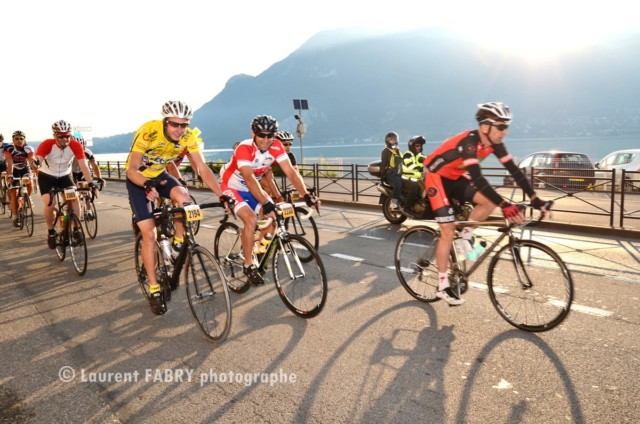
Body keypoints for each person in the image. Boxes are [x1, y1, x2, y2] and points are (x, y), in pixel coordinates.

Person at [423, 102, 548, 306]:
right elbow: (479, 179)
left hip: (454, 177)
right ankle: (442, 286)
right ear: (485, 126)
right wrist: (506, 205)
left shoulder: (494, 144)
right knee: (447, 230)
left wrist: (535, 199)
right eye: (500, 126)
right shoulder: (469, 143)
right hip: (436, 177)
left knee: (488, 203)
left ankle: (466, 235)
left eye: (506, 126)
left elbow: (515, 172)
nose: (504, 132)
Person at [125, 100, 232, 315]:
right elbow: (132, 169)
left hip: (161, 176)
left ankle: (178, 243)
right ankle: (155, 289)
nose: (180, 130)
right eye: (175, 125)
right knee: (149, 234)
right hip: (139, 180)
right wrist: (145, 184)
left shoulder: (188, 136)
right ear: (165, 122)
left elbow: (202, 168)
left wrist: (222, 195)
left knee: (186, 201)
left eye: (184, 125)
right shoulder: (148, 131)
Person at [219, 115, 319, 286]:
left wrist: (306, 195)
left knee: (274, 218)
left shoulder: (276, 147)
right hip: (232, 186)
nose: (266, 139)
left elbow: (291, 173)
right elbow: (249, 178)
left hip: (251, 188)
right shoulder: (244, 148)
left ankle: (256, 246)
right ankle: (249, 264)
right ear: (253, 134)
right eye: (261, 135)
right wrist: (266, 202)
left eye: (270, 135)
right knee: (250, 218)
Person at [35, 120, 96, 248]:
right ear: (55, 135)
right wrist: (35, 162)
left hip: (64, 176)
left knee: (74, 198)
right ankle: (51, 231)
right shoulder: (47, 144)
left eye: (67, 136)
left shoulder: (75, 145)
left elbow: (83, 165)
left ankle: (76, 229)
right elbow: (38, 159)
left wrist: (91, 183)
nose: (65, 139)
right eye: (61, 136)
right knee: (50, 204)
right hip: (47, 176)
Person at [4, 131, 38, 227]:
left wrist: (36, 170)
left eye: (21, 138)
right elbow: (9, 162)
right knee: (14, 194)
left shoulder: (28, 148)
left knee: (29, 182)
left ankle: (28, 196)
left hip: (24, 168)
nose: (19, 140)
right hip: (13, 169)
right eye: (17, 138)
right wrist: (10, 175)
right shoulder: (9, 149)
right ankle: (15, 217)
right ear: (13, 140)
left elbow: (31, 161)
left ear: (24, 140)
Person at [401, 135, 427, 216]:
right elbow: (411, 166)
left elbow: (427, 160)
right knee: (414, 188)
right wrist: (422, 168)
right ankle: (407, 208)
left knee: (426, 188)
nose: (418, 147)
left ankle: (421, 206)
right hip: (406, 178)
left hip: (415, 178)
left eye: (420, 146)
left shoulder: (420, 154)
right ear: (412, 146)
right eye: (417, 146)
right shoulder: (408, 154)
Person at [379, 132, 403, 210]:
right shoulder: (385, 151)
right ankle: (393, 203)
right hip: (391, 174)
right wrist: (382, 175)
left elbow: (402, 161)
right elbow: (383, 163)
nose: (393, 141)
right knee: (398, 183)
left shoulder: (397, 150)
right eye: (391, 139)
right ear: (387, 141)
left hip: (399, 173)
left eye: (395, 139)